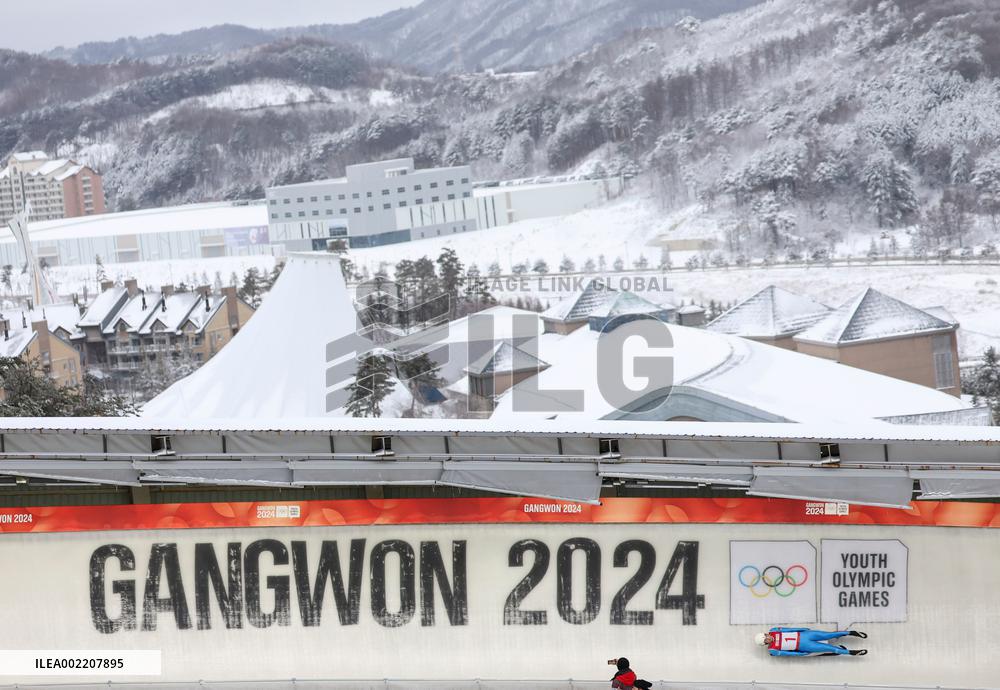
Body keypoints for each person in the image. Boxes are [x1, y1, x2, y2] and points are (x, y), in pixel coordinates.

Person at [755, 627, 867, 656]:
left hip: (804, 634)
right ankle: (851, 652)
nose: (768, 638)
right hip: (805, 645)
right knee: (830, 649)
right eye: (766, 640)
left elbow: (787, 629)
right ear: (765, 643)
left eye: (766, 636)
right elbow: (788, 653)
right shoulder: (772, 650)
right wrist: (800, 654)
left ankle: (850, 633)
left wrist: (802, 629)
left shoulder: (773, 630)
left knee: (829, 634)